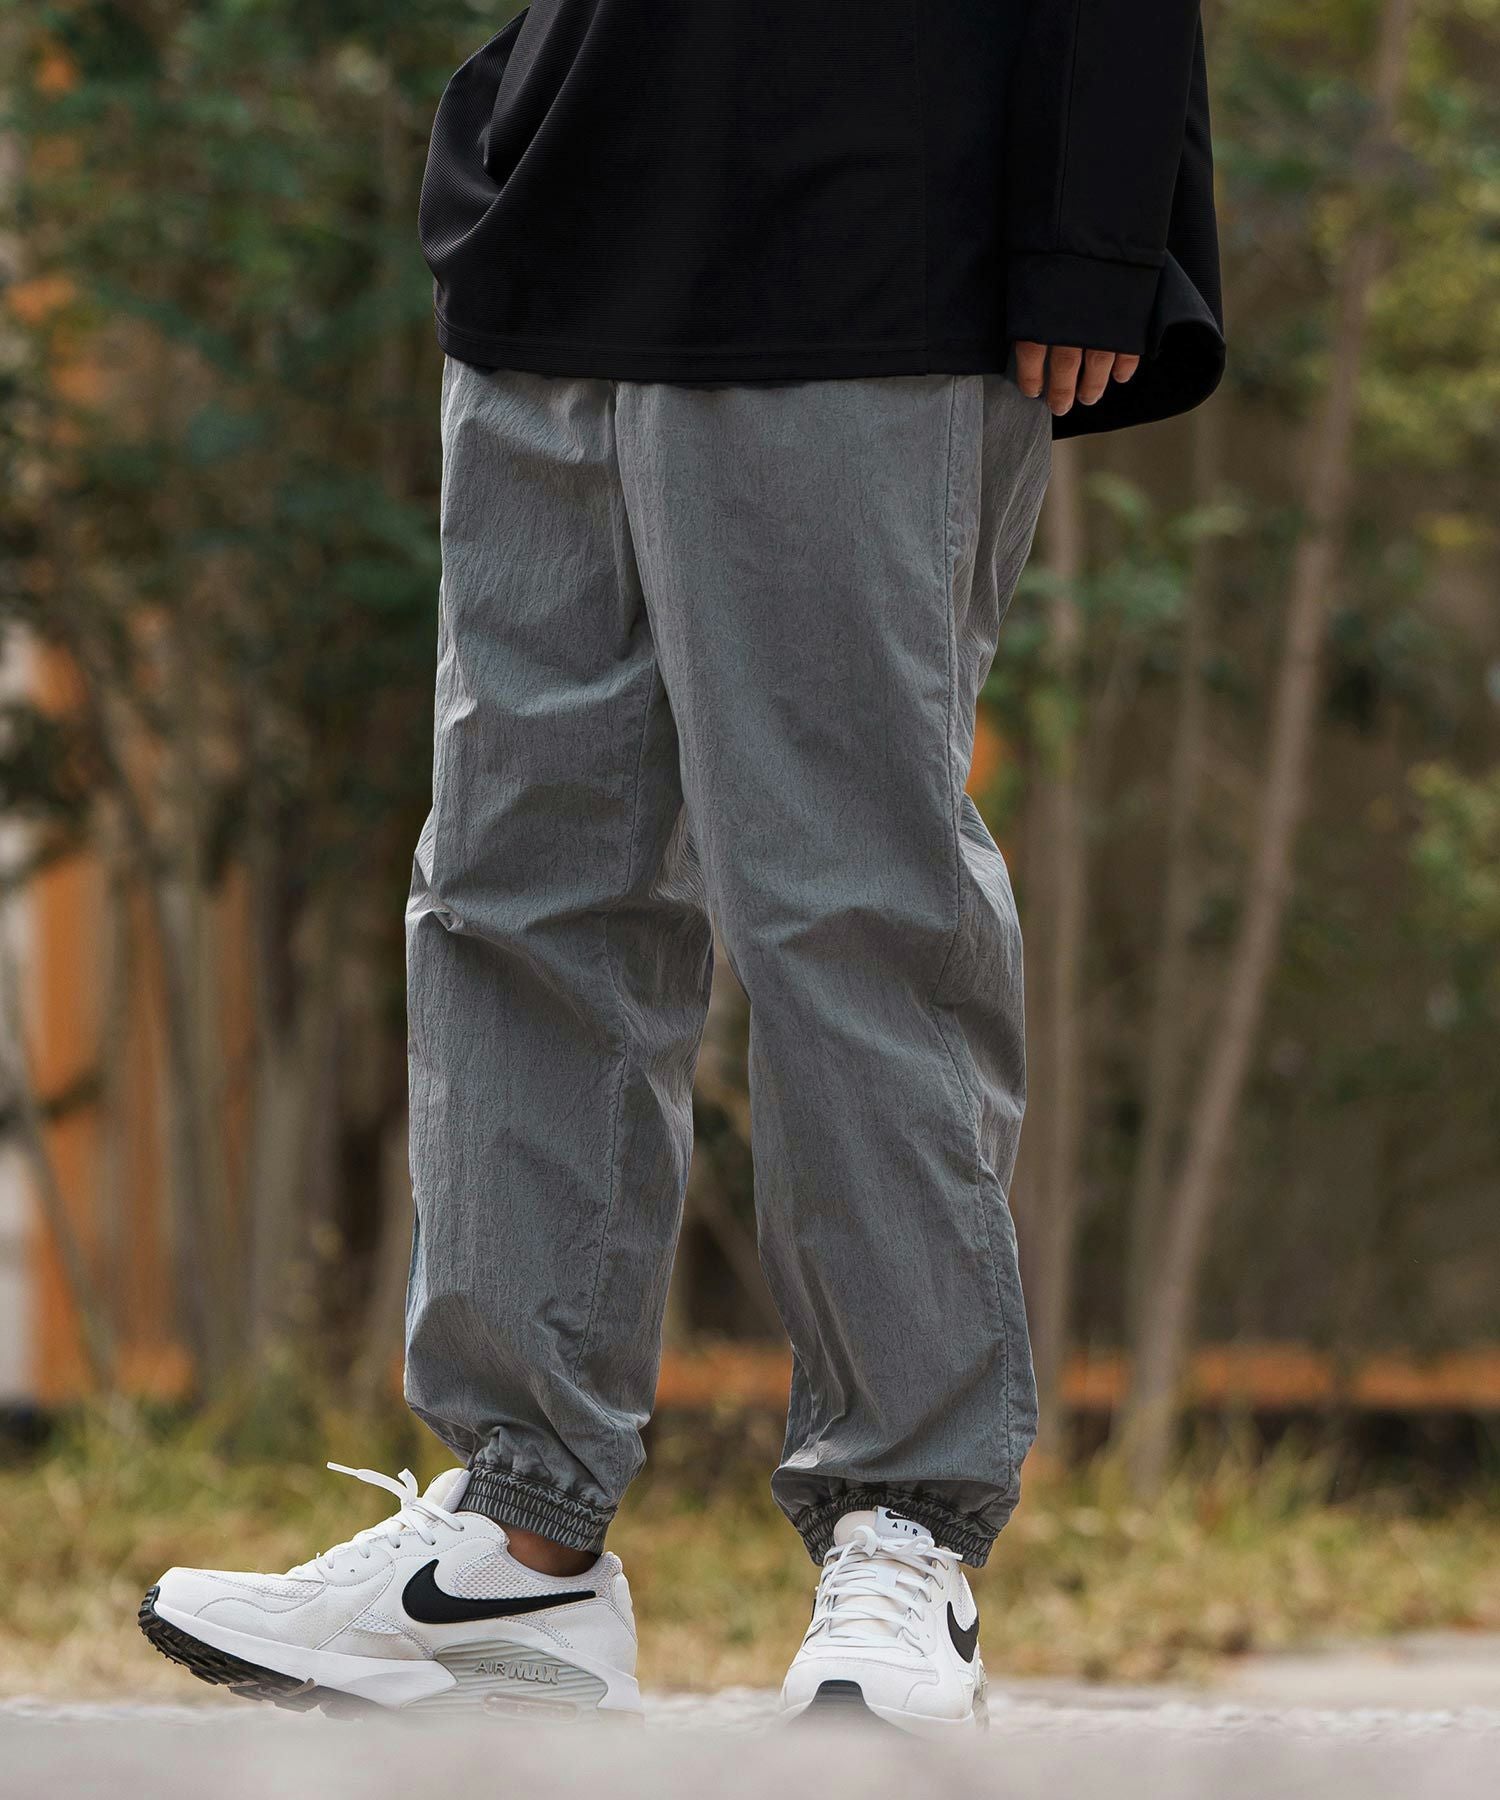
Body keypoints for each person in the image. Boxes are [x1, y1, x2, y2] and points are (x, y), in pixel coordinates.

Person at [140, 0, 1223, 1732]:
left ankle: (907, 1522)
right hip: (569, 222)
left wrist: (1098, 222)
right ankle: (518, 1539)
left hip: (879, 228)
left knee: (847, 904)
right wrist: (512, 110)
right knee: (512, 892)